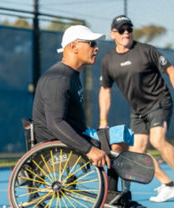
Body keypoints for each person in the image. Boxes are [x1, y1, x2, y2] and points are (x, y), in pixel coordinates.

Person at [33, 25, 138, 205]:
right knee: (115, 141)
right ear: (73, 46)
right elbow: (55, 123)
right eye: (91, 43)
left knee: (120, 135)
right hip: (55, 149)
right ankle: (112, 198)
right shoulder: (58, 79)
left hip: (74, 136)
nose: (96, 48)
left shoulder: (71, 75)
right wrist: (89, 149)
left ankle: (114, 196)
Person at [99, 15, 174, 203]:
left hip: (159, 101)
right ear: (113, 34)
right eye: (121, 30)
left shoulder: (146, 50)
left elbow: (172, 72)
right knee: (136, 154)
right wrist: (103, 120)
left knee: (157, 140)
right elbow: (105, 91)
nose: (126, 33)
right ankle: (168, 185)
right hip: (138, 111)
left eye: (129, 29)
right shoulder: (108, 60)